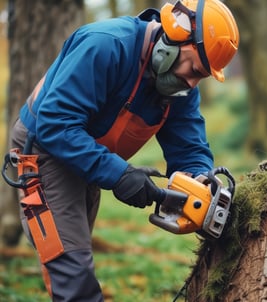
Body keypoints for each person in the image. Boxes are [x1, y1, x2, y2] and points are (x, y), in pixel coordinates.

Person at [7, 0, 239, 300]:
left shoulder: (179, 88)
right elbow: (56, 124)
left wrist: (200, 184)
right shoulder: (106, 45)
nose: (191, 82)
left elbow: (189, 148)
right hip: (44, 151)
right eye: (193, 68)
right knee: (71, 269)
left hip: (88, 153)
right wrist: (119, 174)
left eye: (201, 77)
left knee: (76, 255)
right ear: (174, 36)